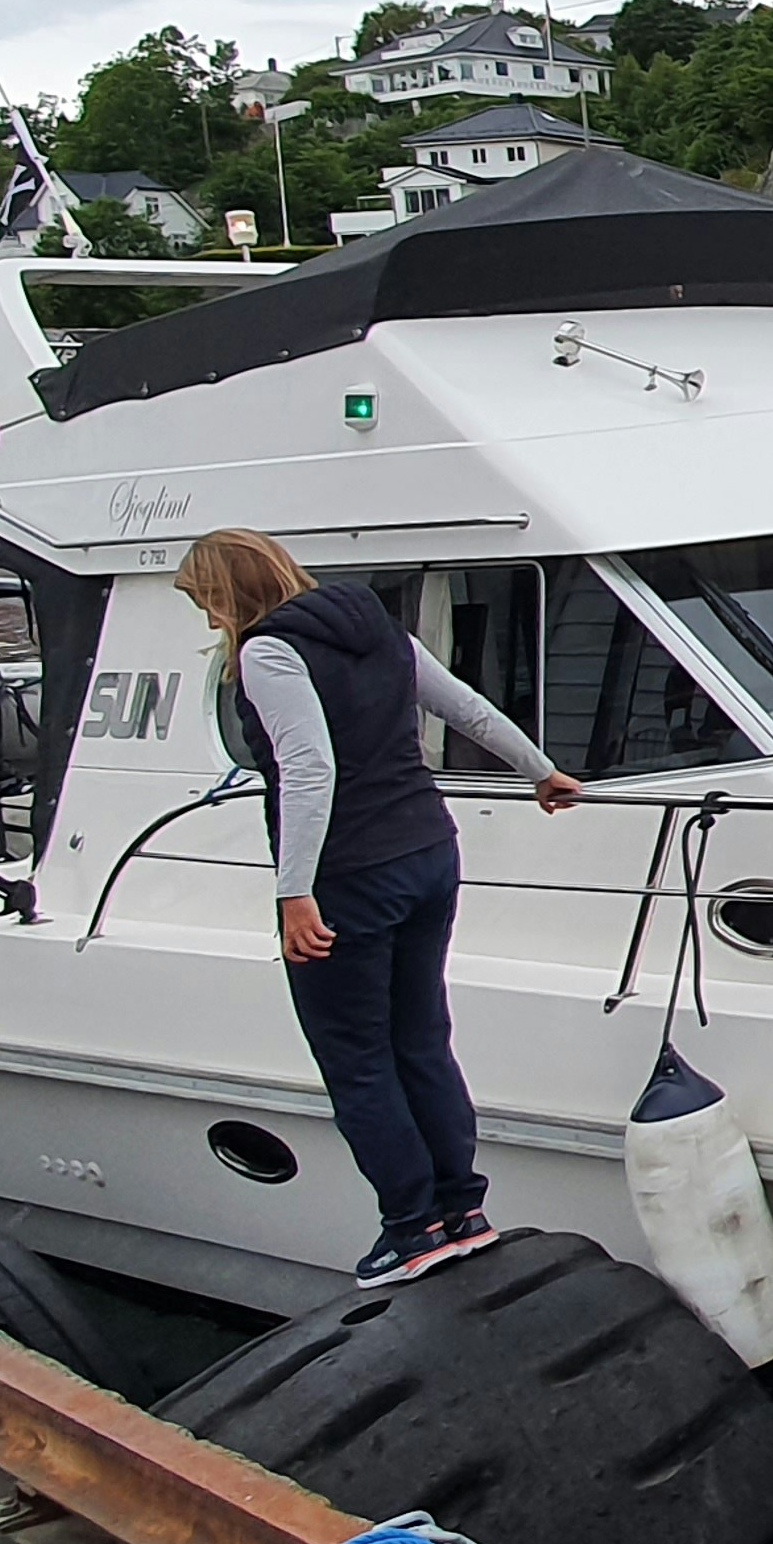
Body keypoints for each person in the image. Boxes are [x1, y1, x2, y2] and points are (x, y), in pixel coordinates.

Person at [177, 528, 581, 1287]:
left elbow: (308, 767)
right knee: (421, 1040)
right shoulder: (377, 628)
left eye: (207, 601)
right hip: (429, 852)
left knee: (358, 1060)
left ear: (233, 592)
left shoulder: (267, 652)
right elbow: (465, 708)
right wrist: (542, 770)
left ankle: (410, 1227)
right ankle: (463, 1212)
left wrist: (294, 891)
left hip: (350, 873)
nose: (207, 620)